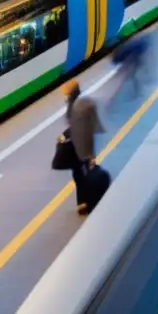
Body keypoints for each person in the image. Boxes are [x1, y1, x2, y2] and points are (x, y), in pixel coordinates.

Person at [63, 80, 104, 215]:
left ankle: (85, 201)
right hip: (79, 143)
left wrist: (92, 153)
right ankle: (84, 201)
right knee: (80, 172)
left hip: (82, 143)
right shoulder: (74, 104)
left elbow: (88, 125)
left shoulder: (82, 105)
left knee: (81, 173)